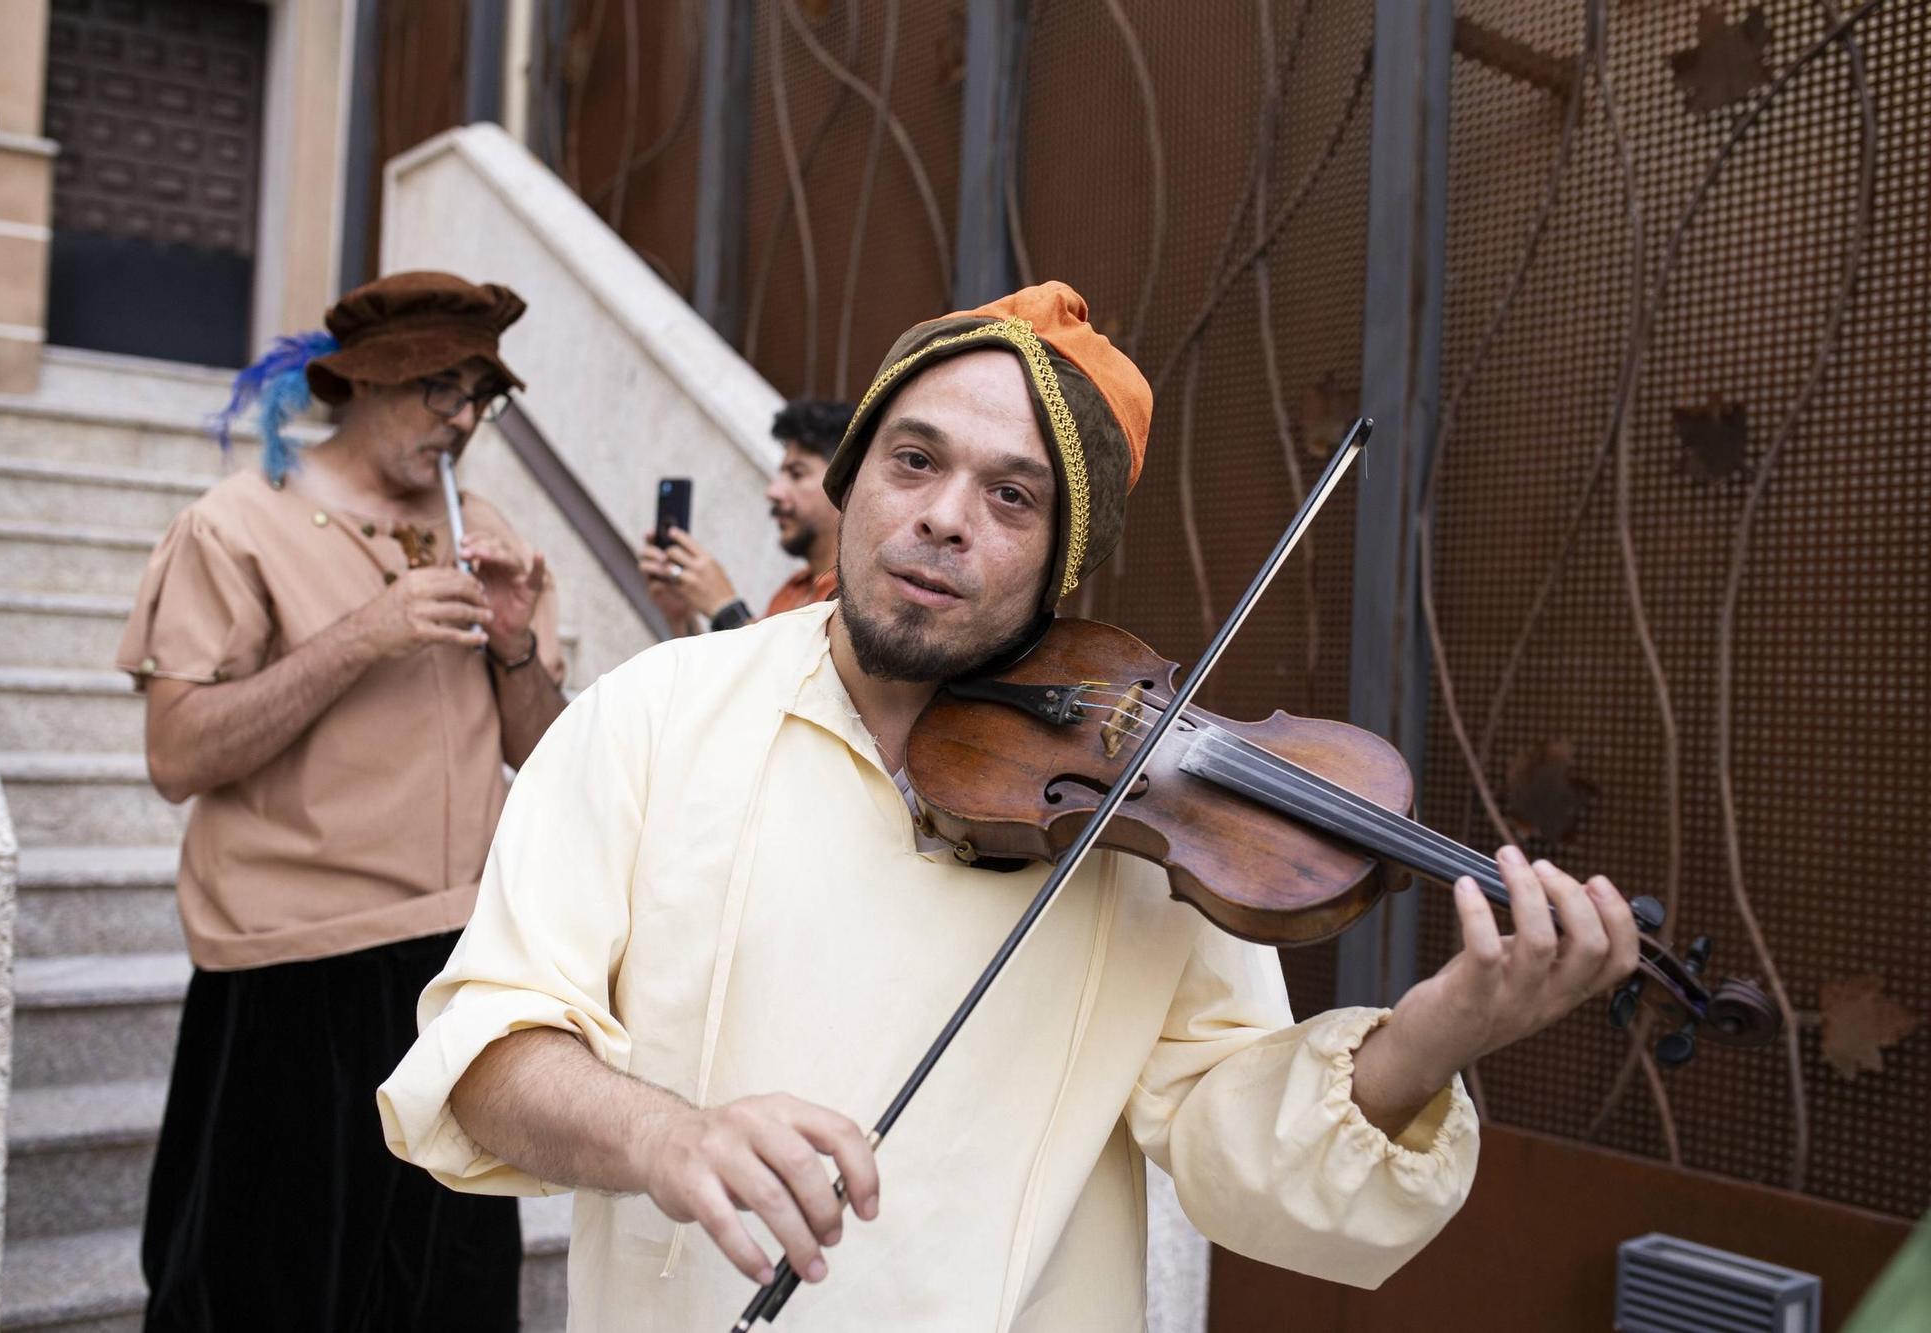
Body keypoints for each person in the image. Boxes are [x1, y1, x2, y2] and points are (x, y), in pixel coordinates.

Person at [378, 282, 1640, 1331]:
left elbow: (1232, 1148)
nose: (941, 518)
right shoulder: (647, 715)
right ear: (853, 478)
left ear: (1060, 561)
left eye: (1011, 495)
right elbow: (488, 1051)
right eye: (913, 460)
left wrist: (1431, 1038)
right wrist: (663, 1136)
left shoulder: (1146, 816)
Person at [118, 271, 568, 1331]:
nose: (460, 422)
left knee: (447, 1290)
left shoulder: (489, 524)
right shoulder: (237, 522)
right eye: (439, 390)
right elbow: (177, 753)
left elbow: (547, 756)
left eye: (479, 397)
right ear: (364, 383)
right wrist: (366, 633)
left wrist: (513, 644)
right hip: (291, 960)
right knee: (268, 1288)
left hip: (458, 959)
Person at [639, 397, 853, 634]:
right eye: (781, 474)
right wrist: (681, 615)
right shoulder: (792, 590)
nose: (773, 491)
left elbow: (783, 670)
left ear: (842, 483)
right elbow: (739, 670)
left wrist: (726, 608)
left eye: (796, 474)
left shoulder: (855, 596)